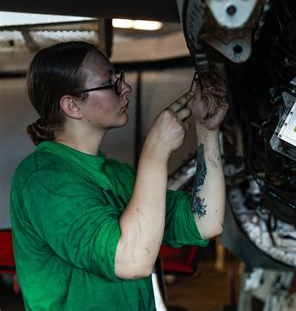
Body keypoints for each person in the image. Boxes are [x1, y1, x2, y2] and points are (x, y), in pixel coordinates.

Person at [9, 41, 229, 310]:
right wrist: (155, 151)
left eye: (119, 78)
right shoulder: (43, 179)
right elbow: (131, 261)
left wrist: (207, 130)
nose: (126, 88)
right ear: (73, 106)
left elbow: (205, 221)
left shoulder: (119, 176)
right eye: (110, 83)